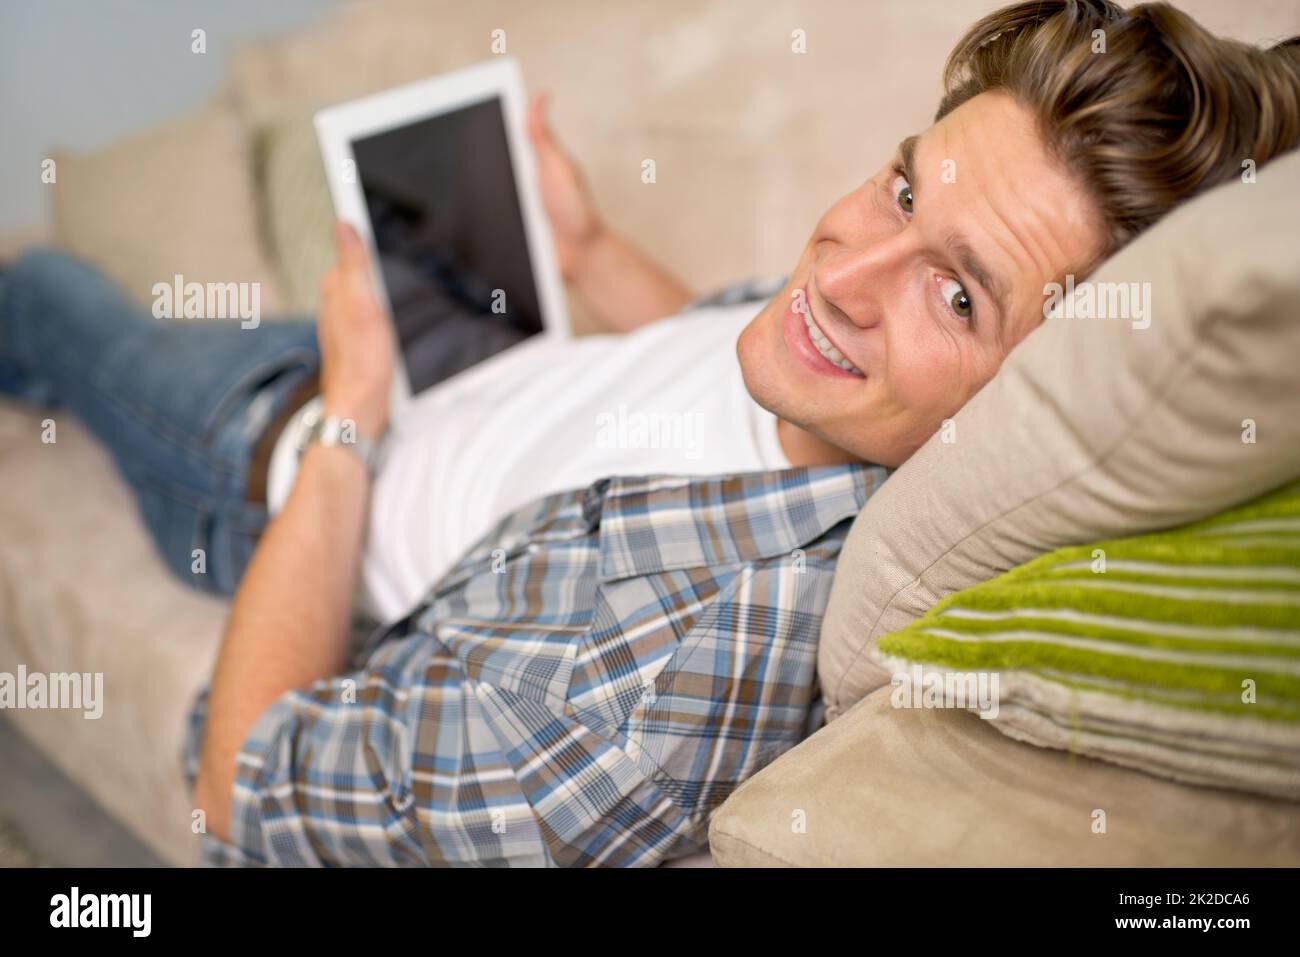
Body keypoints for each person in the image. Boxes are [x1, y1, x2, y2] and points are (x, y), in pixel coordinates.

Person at [2, 0, 1297, 866]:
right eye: (904, 184)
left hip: (286, 464)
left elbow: (238, 800)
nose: (844, 269)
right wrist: (585, 248)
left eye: (957, 291)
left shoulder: (642, 703)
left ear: (1029, 398)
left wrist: (345, 415)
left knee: (50, 297)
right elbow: (728, 359)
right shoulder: (841, 375)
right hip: (467, 360)